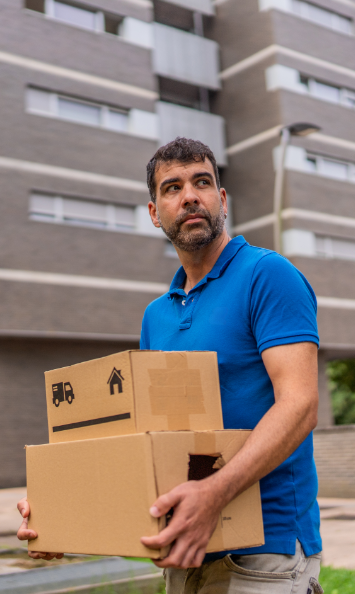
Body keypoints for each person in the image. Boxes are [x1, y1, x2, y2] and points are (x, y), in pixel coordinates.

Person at [17, 137, 324, 594]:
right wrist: (64, 513)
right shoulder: (156, 315)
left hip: (264, 551)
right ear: (154, 211)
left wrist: (214, 493)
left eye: (202, 182)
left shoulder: (267, 275)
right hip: (183, 550)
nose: (189, 196)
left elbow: (300, 404)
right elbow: (145, 444)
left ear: (221, 199)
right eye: (172, 187)